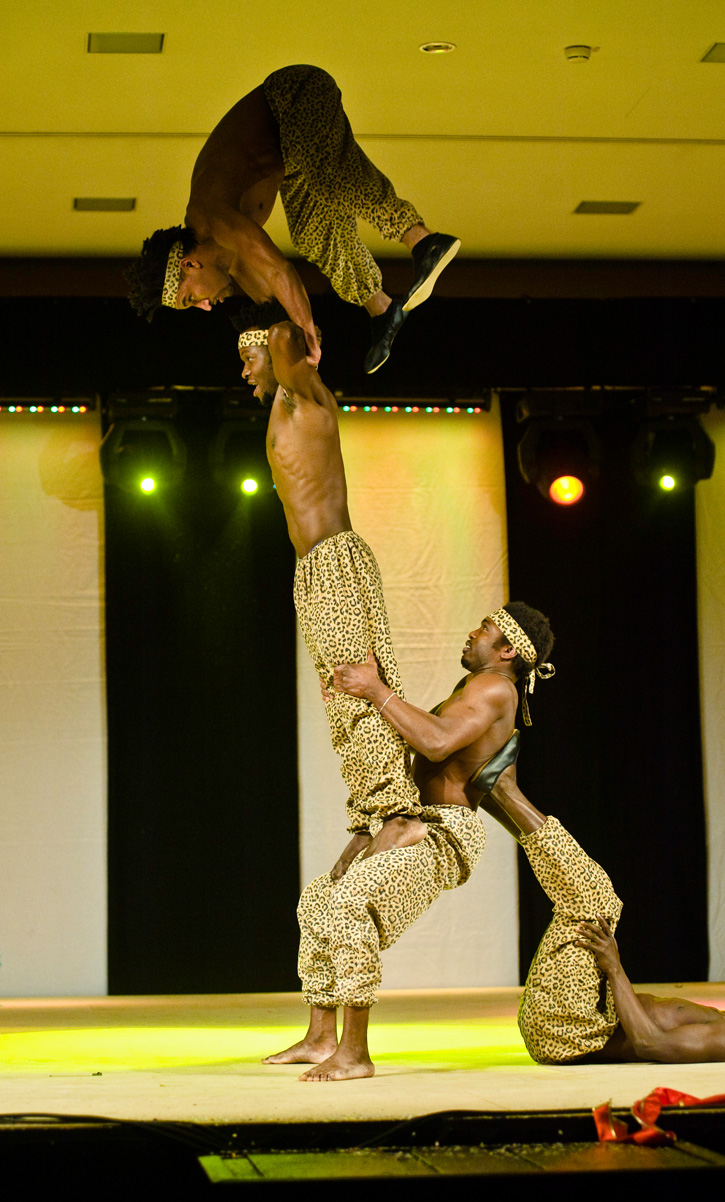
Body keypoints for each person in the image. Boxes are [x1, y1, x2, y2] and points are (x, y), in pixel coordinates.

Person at [234, 304, 555, 1079]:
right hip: (327, 591)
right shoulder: (472, 685)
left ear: (507, 652)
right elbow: (409, 733)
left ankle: (354, 1052)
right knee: (322, 895)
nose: (472, 631)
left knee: (359, 714)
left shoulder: (494, 695)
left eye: (249, 357)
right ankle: (320, 1034)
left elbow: (435, 741)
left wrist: (254, 274)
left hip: (436, 829)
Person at [127, 64, 460, 373]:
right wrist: (283, 354)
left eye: (190, 299)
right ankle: (383, 309)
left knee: (328, 179)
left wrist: (307, 334)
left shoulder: (212, 217)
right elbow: (273, 304)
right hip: (289, 159)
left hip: (291, 96)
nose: (205, 306)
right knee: (311, 234)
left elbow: (280, 270)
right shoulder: (231, 259)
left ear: (189, 264)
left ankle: (422, 240)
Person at [478, 766, 725, 1063]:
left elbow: (649, 1044)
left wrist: (613, 966)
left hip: (570, 1033)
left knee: (595, 900)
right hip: (573, 1025)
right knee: (591, 897)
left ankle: (502, 789)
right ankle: (488, 794)